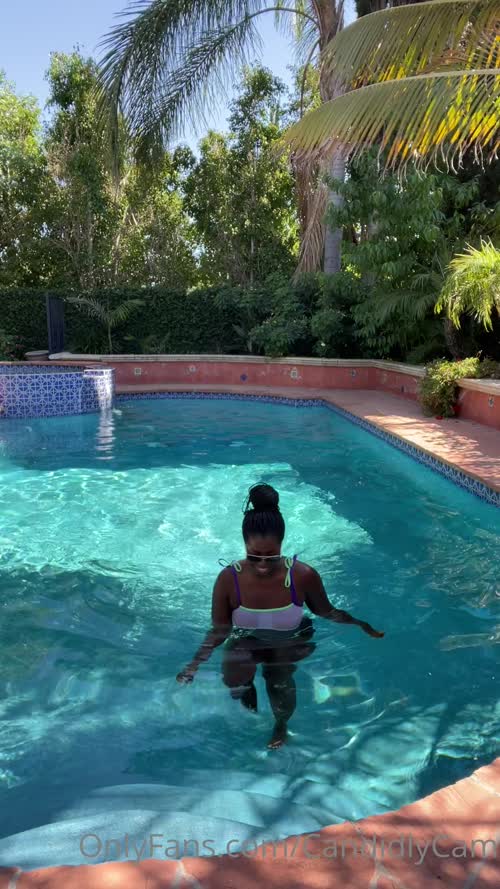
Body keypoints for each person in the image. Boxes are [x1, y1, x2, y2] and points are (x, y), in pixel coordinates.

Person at [177, 483, 384, 749]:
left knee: (279, 681)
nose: (263, 565)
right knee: (234, 682)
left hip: (288, 639)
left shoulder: (302, 575)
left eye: (271, 557)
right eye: (255, 557)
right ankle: (247, 691)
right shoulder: (229, 579)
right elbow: (219, 629)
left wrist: (360, 624)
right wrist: (194, 664)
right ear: (244, 545)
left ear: (282, 546)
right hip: (247, 640)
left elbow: (327, 611)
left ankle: (281, 724)